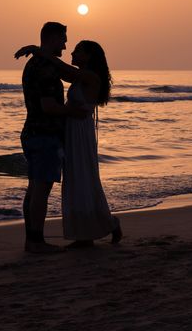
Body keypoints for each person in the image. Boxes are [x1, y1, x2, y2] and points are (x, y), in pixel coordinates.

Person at [15, 40, 122, 249]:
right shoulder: (78, 76)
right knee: (75, 179)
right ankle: (88, 232)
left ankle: (100, 228)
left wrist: (38, 50)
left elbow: (62, 68)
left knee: (82, 177)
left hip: (81, 133)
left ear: (89, 56)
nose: (71, 51)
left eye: (78, 50)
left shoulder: (90, 77)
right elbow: (59, 69)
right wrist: (39, 53)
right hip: (71, 131)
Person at [17, 21, 84, 254]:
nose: (65, 45)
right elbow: (49, 106)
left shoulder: (39, 63)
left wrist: (39, 50)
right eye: (63, 39)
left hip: (32, 132)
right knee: (41, 190)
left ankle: (31, 239)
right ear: (52, 38)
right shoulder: (43, 68)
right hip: (44, 134)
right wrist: (73, 111)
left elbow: (70, 74)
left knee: (34, 187)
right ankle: (36, 241)